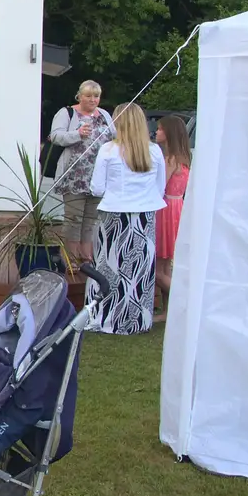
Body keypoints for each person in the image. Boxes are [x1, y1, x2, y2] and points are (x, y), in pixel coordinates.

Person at [90, 103, 166, 335]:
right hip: (144, 216)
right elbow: (160, 187)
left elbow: (96, 188)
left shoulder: (108, 150)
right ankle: (137, 319)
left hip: (114, 215)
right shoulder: (153, 151)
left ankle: (106, 318)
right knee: (139, 268)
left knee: (109, 267)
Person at [48, 81, 116, 267]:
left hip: (97, 177)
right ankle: (70, 259)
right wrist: (77, 134)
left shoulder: (104, 114)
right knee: (74, 218)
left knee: (91, 219)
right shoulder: (67, 113)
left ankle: (86, 257)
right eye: (88, 96)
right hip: (74, 176)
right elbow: (55, 136)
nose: (93, 100)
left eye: (96, 96)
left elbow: (115, 137)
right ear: (80, 96)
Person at [154, 115, 192, 317]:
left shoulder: (170, 159)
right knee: (167, 267)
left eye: (160, 129)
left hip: (166, 210)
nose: (156, 132)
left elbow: (160, 188)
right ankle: (168, 312)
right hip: (177, 207)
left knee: (159, 271)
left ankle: (185, 302)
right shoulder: (184, 158)